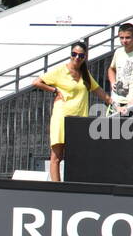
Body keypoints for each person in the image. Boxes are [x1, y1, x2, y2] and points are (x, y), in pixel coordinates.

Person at [32, 41, 112, 182]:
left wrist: (115, 104)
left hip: (78, 121)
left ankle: (71, 187)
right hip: (61, 117)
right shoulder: (60, 71)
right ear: (70, 55)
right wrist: (54, 90)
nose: (76, 58)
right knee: (56, 157)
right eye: (74, 54)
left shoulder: (85, 74)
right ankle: (56, 189)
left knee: (76, 157)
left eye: (80, 55)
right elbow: (36, 82)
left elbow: (99, 91)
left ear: (85, 57)